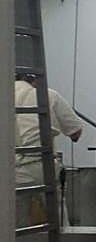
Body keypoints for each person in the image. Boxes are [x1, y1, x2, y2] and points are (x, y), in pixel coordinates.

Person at [14, 73, 84, 225]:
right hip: (43, 164)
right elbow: (75, 132)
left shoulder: (5, 97)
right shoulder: (48, 95)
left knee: (17, 225)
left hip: (12, 169)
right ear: (34, 82)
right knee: (57, 217)